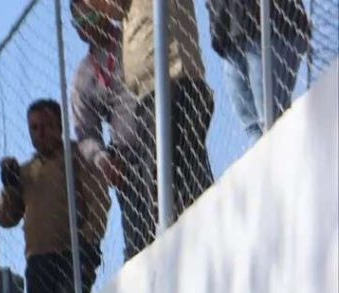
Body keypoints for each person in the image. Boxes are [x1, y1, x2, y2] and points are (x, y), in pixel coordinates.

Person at [92, 0, 214, 246]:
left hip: (172, 77)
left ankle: (197, 240)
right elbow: (113, 9)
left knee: (173, 179)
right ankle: (194, 239)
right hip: (154, 86)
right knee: (173, 178)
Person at [0, 99, 111, 293]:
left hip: (74, 252)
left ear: (60, 126)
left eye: (47, 125)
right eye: (34, 128)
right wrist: (9, 186)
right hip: (39, 258)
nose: (41, 133)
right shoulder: (26, 171)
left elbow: (99, 199)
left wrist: (88, 240)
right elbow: (7, 218)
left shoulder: (76, 157)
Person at [70, 3, 148, 260]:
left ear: (104, 10)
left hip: (160, 131)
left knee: (184, 207)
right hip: (126, 158)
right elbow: (86, 132)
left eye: (90, 16)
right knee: (140, 239)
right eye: (79, 24)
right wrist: (102, 160)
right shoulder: (83, 76)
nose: (87, 28)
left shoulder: (133, 34)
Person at [208, 0, 309, 142]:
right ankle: (272, 162)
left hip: (272, 22)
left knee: (270, 120)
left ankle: (291, 160)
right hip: (228, 29)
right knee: (253, 127)